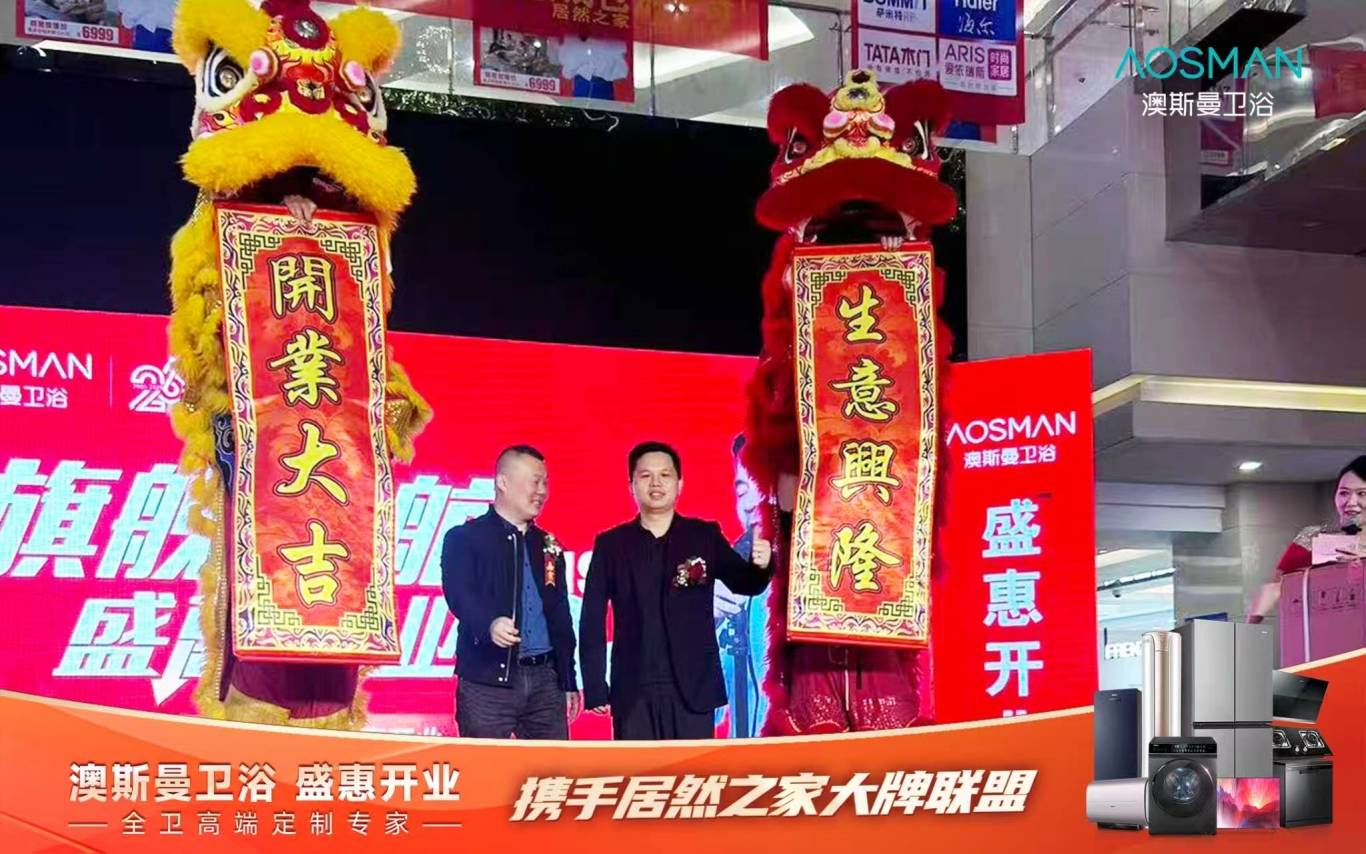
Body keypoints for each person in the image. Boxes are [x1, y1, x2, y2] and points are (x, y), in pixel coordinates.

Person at [580, 441, 773, 740]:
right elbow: (592, 619)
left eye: (665, 475)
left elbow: (745, 583)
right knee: (637, 768)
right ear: (631, 486)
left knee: (693, 769)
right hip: (633, 690)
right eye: (646, 476)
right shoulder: (611, 545)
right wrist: (594, 686)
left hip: (693, 690)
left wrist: (762, 565)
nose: (656, 483)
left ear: (679, 484)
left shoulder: (704, 536)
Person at [442, 445, 581, 738]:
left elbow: (560, 615)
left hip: (546, 684)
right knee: (484, 764)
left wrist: (568, 679)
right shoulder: (464, 538)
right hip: (486, 683)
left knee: (551, 766)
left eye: (545, 483)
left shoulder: (548, 545)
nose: (542, 491)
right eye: (534, 481)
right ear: (503, 482)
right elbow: (459, 593)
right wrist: (489, 623)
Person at [1248, 455, 1366, 622]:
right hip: (1319, 629)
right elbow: (1275, 587)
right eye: (1343, 493)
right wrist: (1247, 629)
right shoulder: (1313, 537)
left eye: (1362, 493)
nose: (1350, 502)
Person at [714, 434, 771, 738]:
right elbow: (706, 709)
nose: (748, 503)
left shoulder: (828, 575)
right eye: (741, 491)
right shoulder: (728, 582)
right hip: (747, 762)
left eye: (760, 486)